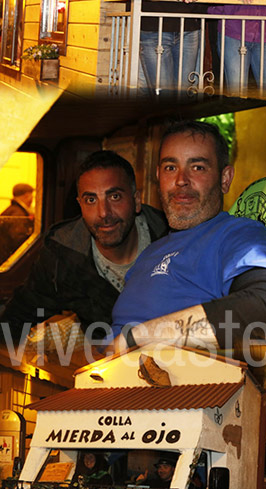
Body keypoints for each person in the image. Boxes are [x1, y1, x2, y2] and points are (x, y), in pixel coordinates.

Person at [111, 120, 266, 354]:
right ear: (158, 176)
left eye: (197, 167)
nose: (181, 180)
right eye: (170, 168)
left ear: (225, 178)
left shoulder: (239, 235)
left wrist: (140, 337)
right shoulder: (149, 254)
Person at [0, 150, 167, 353]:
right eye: (91, 200)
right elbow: (19, 315)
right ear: (80, 205)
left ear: (136, 200)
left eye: (114, 196)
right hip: (106, 370)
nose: (103, 213)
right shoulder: (63, 253)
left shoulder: (171, 239)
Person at [0, 182, 34, 264]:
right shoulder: (18, 214)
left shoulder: (11, 210)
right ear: (26, 196)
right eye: (32, 196)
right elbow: (19, 240)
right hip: (8, 259)